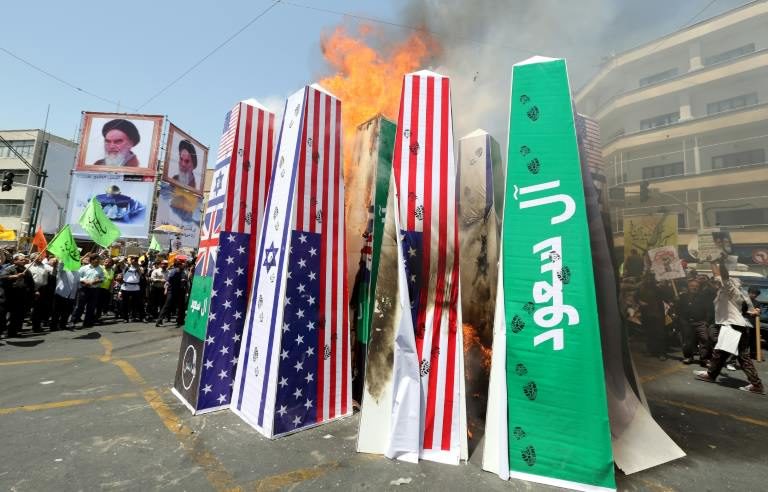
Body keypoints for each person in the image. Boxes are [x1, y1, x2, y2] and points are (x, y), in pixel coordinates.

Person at [694, 259, 764, 395]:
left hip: (733, 326)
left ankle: (757, 385)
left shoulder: (731, 290)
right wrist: (713, 262)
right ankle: (711, 375)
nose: (717, 282)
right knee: (722, 353)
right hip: (735, 326)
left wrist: (720, 262)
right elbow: (718, 276)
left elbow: (723, 276)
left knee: (736, 355)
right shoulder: (729, 291)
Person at [677, 278, 715, 365]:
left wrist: (706, 322)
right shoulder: (682, 297)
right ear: (688, 287)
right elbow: (678, 310)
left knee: (705, 340)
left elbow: (709, 310)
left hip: (701, 322)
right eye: (692, 286)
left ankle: (704, 359)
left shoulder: (704, 297)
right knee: (687, 341)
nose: (694, 288)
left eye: (696, 286)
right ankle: (688, 357)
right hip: (686, 323)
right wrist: (681, 321)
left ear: (699, 287)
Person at [638, 273, 672, 360]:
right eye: (647, 278)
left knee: (660, 334)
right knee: (649, 333)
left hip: (658, 315)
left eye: (651, 278)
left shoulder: (658, 288)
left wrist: (670, 300)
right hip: (646, 314)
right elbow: (636, 297)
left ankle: (662, 353)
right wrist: (640, 302)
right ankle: (651, 351)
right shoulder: (641, 288)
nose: (649, 280)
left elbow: (666, 297)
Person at [156, 258, 187, 327]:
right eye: (183, 263)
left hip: (180, 291)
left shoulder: (183, 271)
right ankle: (159, 321)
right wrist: (166, 289)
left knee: (181, 306)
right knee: (167, 305)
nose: (184, 264)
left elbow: (185, 281)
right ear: (179, 264)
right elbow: (168, 281)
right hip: (172, 291)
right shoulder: (174, 271)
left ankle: (180, 320)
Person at [27, 253, 53, 333]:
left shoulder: (45, 266)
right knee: (32, 308)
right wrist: (34, 290)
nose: (41, 258)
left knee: (39, 309)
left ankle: (36, 326)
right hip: (32, 289)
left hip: (43, 289)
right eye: (38, 257)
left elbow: (54, 272)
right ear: (32, 258)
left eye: (41, 257)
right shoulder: (27, 266)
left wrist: (55, 266)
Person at [78, 255, 105, 328]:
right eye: (96, 259)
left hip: (95, 290)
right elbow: (78, 276)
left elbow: (102, 278)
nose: (98, 261)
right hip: (84, 288)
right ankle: (74, 320)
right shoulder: (84, 268)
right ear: (92, 260)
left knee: (91, 307)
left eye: (99, 259)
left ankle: (87, 322)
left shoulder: (100, 269)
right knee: (80, 305)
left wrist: (98, 280)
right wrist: (84, 281)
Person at [52, 260, 80, 331]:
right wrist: (63, 259)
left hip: (71, 295)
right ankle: (53, 326)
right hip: (61, 293)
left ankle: (63, 325)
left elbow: (78, 283)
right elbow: (60, 266)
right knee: (57, 311)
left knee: (67, 312)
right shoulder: (64, 269)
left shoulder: (77, 272)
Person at [120, 255, 145, 322]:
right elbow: (119, 263)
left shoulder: (140, 268)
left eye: (136, 259)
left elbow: (141, 273)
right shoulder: (126, 267)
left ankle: (136, 316)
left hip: (135, 288)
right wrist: (124, 259)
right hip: (125, 288)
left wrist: (137, 266)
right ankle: (125, 318)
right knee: (125, 303)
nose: (134, 260)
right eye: (133, 259)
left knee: (137, 303)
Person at [743, 286, 764, 360]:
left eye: (756, 294)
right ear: (749, 293)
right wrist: (750, 313)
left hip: (754, 323)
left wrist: (758, 311)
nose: (754, 295)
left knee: (754, 339)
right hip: (745, 323)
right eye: (753, 293)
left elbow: (759, 311)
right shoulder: (744, 301)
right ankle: (743, 354)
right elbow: (741, 311)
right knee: (745, 339)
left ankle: (753, 354)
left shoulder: (757, 302)